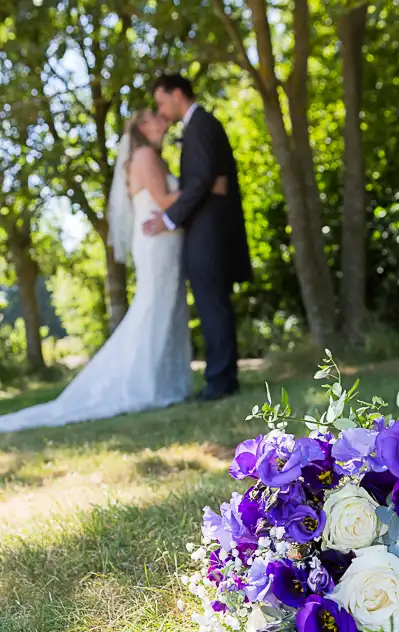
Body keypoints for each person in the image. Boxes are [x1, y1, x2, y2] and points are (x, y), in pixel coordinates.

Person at [0, 110, 193, 433]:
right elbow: (165, 199)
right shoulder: (144, 155)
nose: (163, 120)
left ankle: (164, 382)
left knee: (161, 310)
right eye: (154, 118)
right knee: (153, 311)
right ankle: (147, 385)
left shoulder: (144, 156)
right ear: (142, 127)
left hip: (161, 242)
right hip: (158, 243)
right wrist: (205, 184)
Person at [144, 74, 252, 402]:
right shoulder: (196, 126)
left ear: (177, 94)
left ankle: (220, 380)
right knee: (211, 302)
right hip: (206, 225)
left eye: (162, 102)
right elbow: (207, 180)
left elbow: (203, 178)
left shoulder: (201, 124)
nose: (161, 111)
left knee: (211, 301)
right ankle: (221, 376)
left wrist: (168, 219)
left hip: (209, 229)